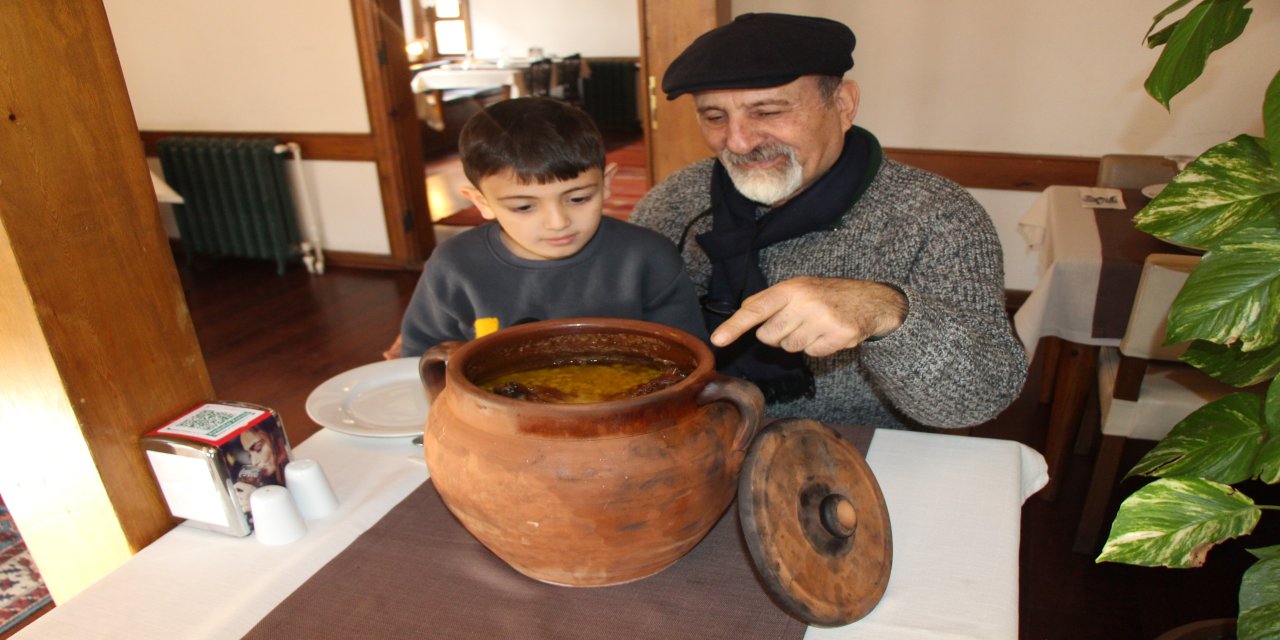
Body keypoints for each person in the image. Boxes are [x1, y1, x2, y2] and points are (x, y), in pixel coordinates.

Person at [630, 13, 1027, 430]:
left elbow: (978, 400)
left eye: (767, 111)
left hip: (862, 452)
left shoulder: (938, 217)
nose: (738, 141)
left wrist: (886, 310)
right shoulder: (673, 203)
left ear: (843, 105)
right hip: (696, 440)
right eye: (714, 117)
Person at [386, 97, 706, 359]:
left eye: (578, 198)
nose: (558, 222)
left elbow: (687, 355)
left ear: (606, 183)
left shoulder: (648, 257)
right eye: (524, 207)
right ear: (481, 202)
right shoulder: (454, 266)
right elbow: (419, 358)